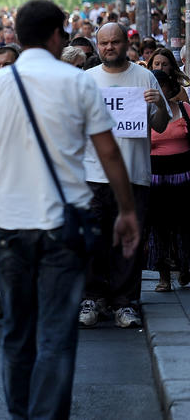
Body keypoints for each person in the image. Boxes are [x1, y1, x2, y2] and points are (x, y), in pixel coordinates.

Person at [0, 0, 139, 420]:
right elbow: (108, 155)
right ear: (57, 35)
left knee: (18, 331)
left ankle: (20, 414)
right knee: (56, 333)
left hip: (11, 228)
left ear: (18, 35)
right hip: (64, 225)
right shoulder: (78, 83)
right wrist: (127, 210)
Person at [80, 22, 169, 329]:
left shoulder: (144, 76)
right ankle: (92, 297)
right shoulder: (86, 80)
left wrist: (158, 104)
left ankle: (124, 302)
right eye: (103, 43)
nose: (109, 48)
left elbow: (159, 125)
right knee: (93, 241)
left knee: (129, 242)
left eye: (114, 42)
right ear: (97, 45)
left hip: (134, 176)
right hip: (92, 176)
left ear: (125, 44)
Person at [146, 70, 190, 292]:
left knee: (184, 226)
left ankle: (185, 269)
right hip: (155, 178)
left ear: (170, 88)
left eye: (162, 86)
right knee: (158, 228)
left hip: (183, 177)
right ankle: (163, 276)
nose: (159, 90)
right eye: (155, 86)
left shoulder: (185, 110)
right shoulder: (141, 114)